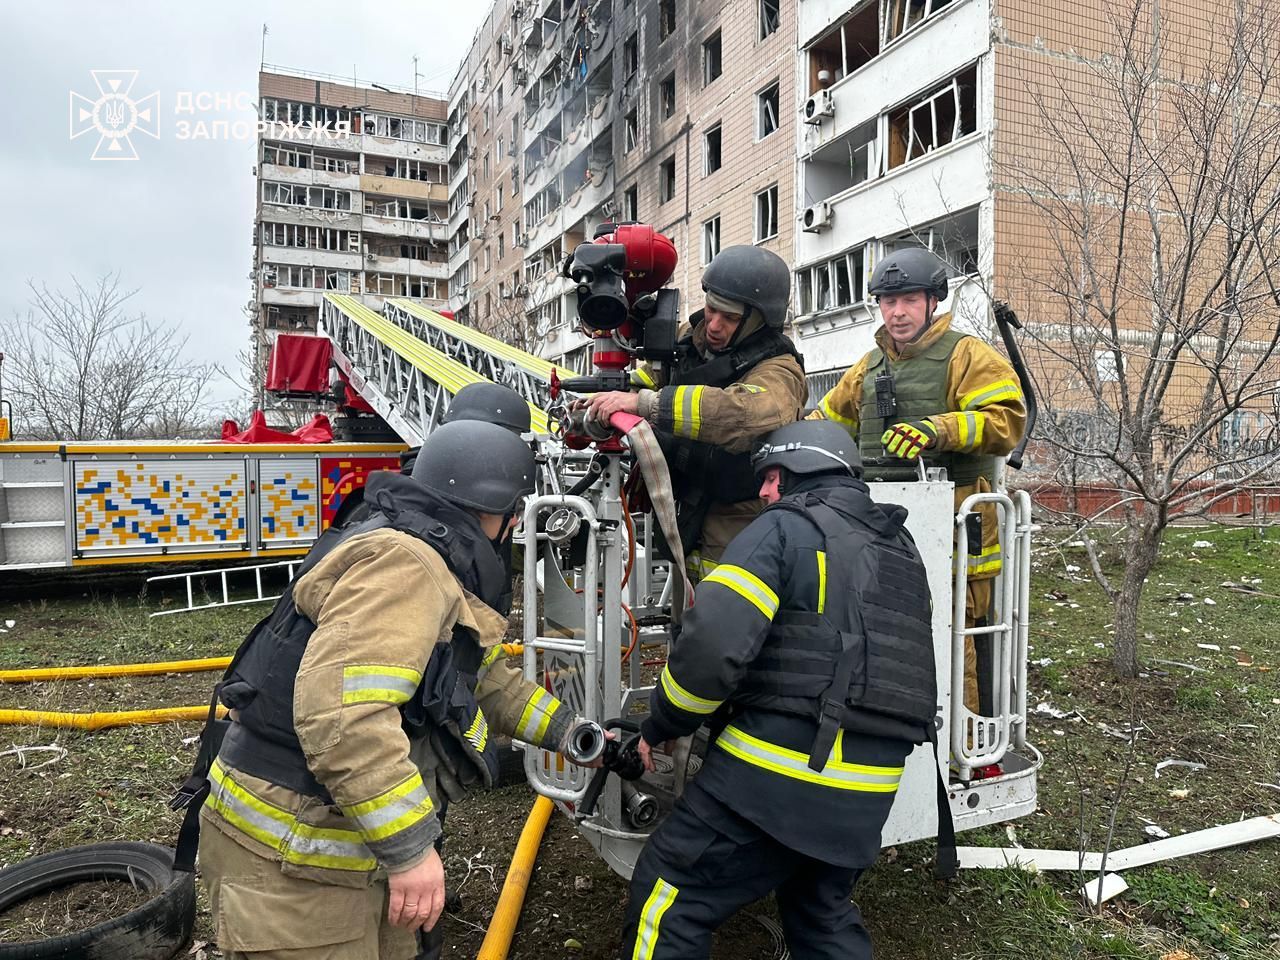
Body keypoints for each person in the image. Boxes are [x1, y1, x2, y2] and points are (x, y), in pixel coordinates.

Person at [193, 421, 592, 960]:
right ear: (494, 509)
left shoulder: (424, 552)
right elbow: (344, 719)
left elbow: (483, 679)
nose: (517, 526)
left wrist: (572, 733)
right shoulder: (408, 565)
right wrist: (411, 851)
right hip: (294, 861)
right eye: (515, 511)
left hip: (338, 846)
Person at [619, 419, 939, 959]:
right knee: (820, 911)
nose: (764, 492)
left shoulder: (784, 527)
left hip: (776, 778)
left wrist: (661, 724)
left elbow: (711, 647)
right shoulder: (901, 548)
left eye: (770, 477)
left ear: (801, 470)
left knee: (669, 893)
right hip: (870, 791)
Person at [807, 247, 1026, 715]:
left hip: (957, 530)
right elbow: (825, 426)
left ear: (933, 301)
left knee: (955, 638)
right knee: (887, 633)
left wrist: (937, 429)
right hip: (883, 527)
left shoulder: (968, 355)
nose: (898, 312)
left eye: (909, 300)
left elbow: (1006, 422)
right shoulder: (868, 368)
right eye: (888, 302)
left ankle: (962, 738)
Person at [585, 245, 807, 581]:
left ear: (759, 320)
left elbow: (746, 415)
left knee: (726, 600)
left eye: (730, 318)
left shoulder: (779, 369)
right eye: (711, 309)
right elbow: (649, 381)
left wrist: (646, 404)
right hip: (685, 506)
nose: (714, 325)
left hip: (740, 515)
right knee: (686, 601)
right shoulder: (689, 342)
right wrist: (604, 400)